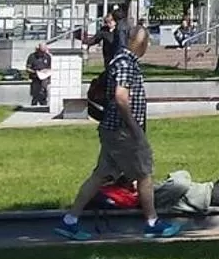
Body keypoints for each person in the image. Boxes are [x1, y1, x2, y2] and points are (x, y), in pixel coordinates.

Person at [58, 22, 179, 240]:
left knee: (100, 175)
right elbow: (121, 98)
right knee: (144, 173)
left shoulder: (124, 60)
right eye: (147, 42)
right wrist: (136, 130)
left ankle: (71, 220)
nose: (147, 46)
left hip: (113, 131)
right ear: (139, 43)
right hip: (123, 132)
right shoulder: (125, 63)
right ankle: (152, 222)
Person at [27, 40, 53, 109]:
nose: (42, 53)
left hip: (44, 78)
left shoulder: (48, 57)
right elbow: (28, 68)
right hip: (35, 78)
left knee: (43, 94)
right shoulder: (32, 56)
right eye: (41, 51)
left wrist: (48, 75)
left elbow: (50, 67)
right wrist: (35, 72)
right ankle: (33, 107)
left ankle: (44, 106)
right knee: (35, 95)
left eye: (44, 51)